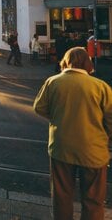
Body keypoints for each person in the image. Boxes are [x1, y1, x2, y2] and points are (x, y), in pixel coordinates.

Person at [33, 47, 112, 219]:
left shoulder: (53, 82)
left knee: (62, 197)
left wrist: (58, 116)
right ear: (87, 63)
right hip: (93, 151)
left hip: (62, 148)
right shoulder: (101, 87)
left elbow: (39, 108)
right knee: (93, 200)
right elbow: (110, 120)